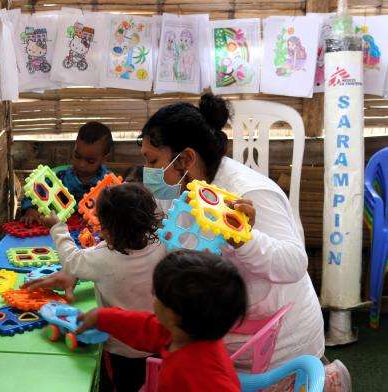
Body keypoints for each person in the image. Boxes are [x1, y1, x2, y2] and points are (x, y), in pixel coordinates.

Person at [140, 93, 328, 368]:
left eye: (153, 161)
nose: (148, 171)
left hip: (278, 348)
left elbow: (294, 264)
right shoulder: (175, 188)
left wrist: (244, 240)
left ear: (185, 159)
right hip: (216, 336)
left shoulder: (248, 192)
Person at [22, 183, 167, 392]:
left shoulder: (102, 258)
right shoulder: (161, 246)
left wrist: (58, 228)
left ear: (107, 230)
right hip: (156, 340)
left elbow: (71, 260)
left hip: (120, 349)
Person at [77, 250, 246, 392]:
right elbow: (145, 328)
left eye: (156, 295)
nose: (154, 301)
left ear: (172, 315)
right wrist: (102, 317)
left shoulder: (197, 375)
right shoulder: (185, 333)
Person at [21, 121, 113, 225]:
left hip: (94, 237)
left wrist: (100, 216)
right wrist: (31, 209)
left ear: (104, 159)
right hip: (56, 233)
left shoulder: (109, 185)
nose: (82, 164)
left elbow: (117, 210)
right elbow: (32, 194)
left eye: (90, 161)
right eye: (77, 156)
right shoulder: (60, 176)